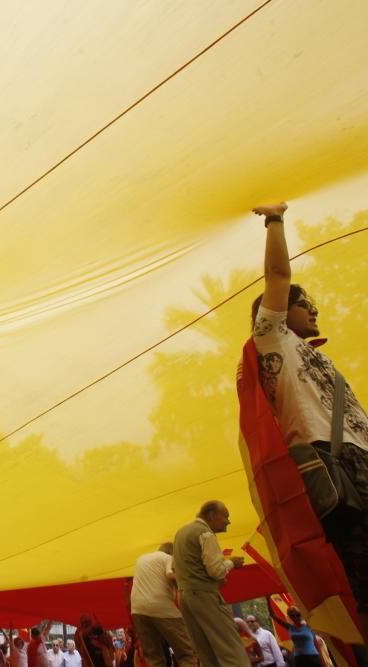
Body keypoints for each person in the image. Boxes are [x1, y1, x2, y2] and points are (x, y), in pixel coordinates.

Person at [250, 202, 368, 651]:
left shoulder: (324, 358)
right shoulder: (272, 341)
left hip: (361, 460)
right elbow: (278, 278)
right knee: (359, 579)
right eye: (306, 305)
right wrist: (275, 220)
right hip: (335, 469)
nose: (314, 311)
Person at [172, 500, 250, 667]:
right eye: (226, 516)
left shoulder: (181, 533)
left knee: (206, 650)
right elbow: (216, 571)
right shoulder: (205, 534)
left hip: (185, 597)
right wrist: (231, 563)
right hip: (204, 596)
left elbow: (174, 568)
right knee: (229, 646)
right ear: (212, 515)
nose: (228, 521)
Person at [130, 543, 199, 667]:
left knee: (153, 657)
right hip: (161, 607)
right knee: (187, 652)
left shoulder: (141, 559)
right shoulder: (168, 558)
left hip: (137, 610)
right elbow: (170, 574)